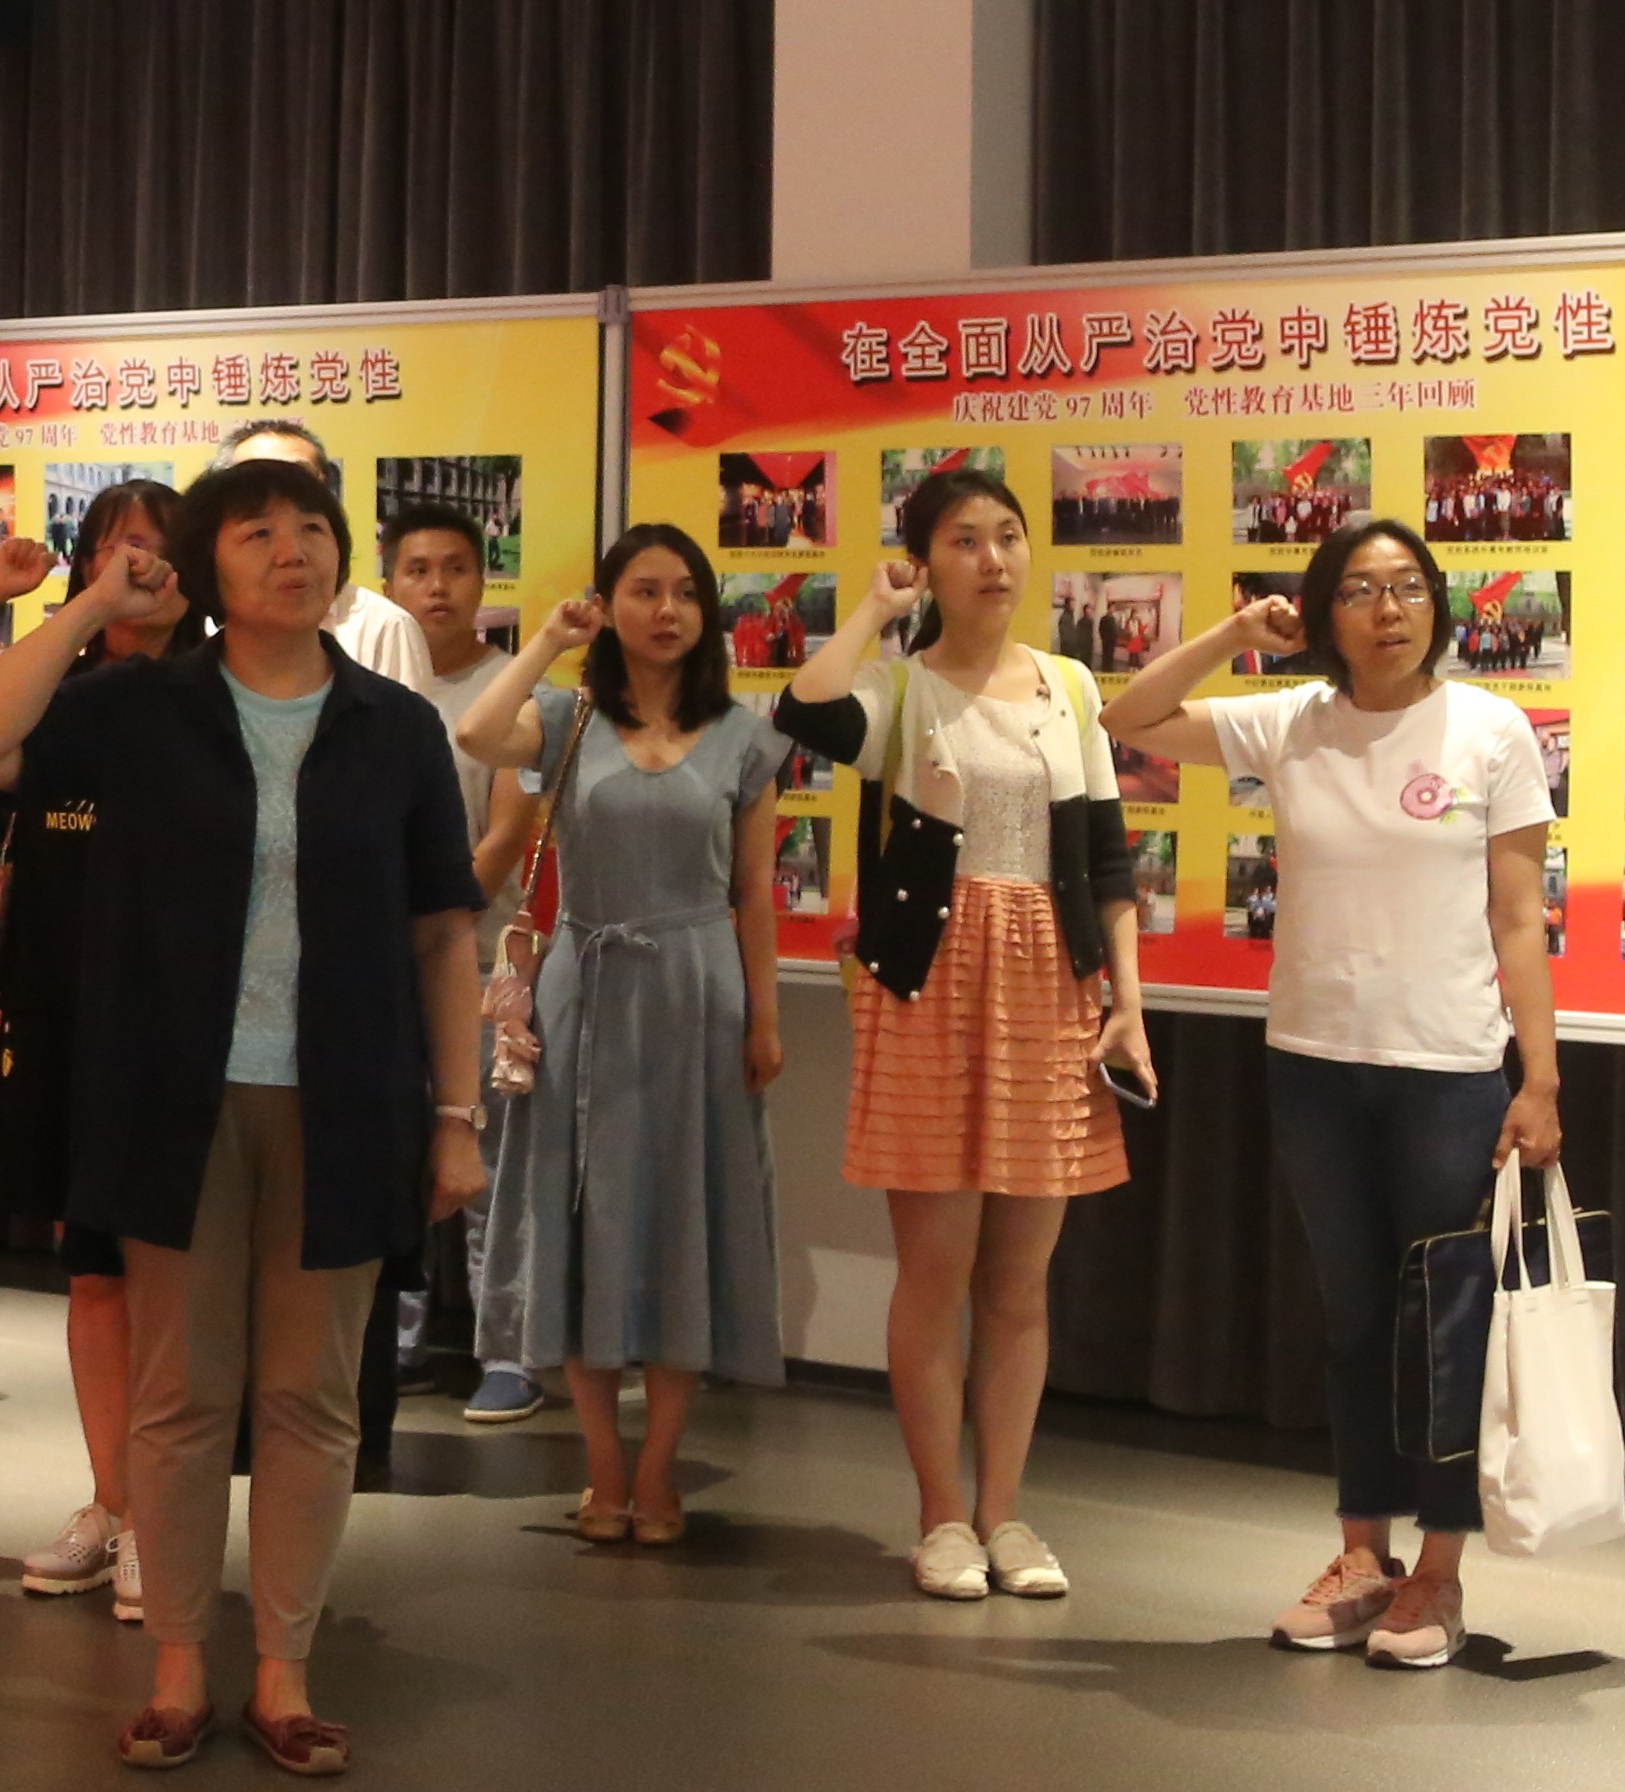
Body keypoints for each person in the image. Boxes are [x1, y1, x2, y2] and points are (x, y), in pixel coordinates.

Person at [0, 458, 487, 1781]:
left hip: (344, 1098)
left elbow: (441, 935)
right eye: (256, 533)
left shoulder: (395, 728)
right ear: (203, 566)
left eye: (311, 530)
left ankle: (283, 1673)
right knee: (180, 1396)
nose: (292, 552)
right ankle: (179, 1667)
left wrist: (457, 1115)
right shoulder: (138, 708)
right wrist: (86, 608)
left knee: (308, 1400)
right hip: (171, 1095)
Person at [1107, 513, 1562, 1672]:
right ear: (1322, 615)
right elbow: (1126, 719)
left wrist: (1539, 1079)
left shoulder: (1489, 729)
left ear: (1435, 605)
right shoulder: (1290, 722)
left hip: (1448, 1073)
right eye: (1357, 590)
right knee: (1353, 1322)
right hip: (1311, 1064)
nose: (1386, 609)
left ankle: (1438, 1574)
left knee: (1445, 1328)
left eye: (1406, 586)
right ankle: (1362, 1559)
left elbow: (1518, 919)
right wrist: (1231, 634)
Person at [775, 467, 1150, 1604]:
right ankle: (941, 1516)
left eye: (1007, 536)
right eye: (964, 540)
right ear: (926, 561)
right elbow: (803, 711)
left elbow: (1106, 860)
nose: (992, 559)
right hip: (929, 981)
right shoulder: (901, 688)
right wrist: (872, 610)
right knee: (935, 1274)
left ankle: (1007, 1514)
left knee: (1020, 1282)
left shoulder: (1070, 685)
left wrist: (1126, 1003)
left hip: (1049, 982)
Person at [0, 476, 194, 1618]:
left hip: (180, 1026)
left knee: (171, 1289)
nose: (134, 565)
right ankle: (113, 1507)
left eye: (154, 547)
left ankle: (165, 1522)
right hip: (65, 1015)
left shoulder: (221, 695)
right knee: (93, 1276)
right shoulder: (59, 690)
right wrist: (36, 600)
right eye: (111, 548)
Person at [453, 524, 787, 1541]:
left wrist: (764, 1019)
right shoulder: (566, 717)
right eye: (643, 590)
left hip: (698, 994)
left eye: (685, 591)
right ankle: (603, 1471)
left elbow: (755, 895)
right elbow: (476, 733)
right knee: (581, 1226)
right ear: (609, 604)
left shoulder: (744, 737)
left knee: (684, 1224)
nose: (666, 610)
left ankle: (659, 1471)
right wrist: (548, 641)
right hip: (581, 993)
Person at [383, 506, 547, 1425]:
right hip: (384, 959)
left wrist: (438, 926)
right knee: (396, 1154)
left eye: (454, 568)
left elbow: (508, 832)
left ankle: (508, 1350)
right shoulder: (371, 684)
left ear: (484, 582)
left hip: (481, 959)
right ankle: (396, 1339)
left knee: (490, 1162)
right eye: (417, 569)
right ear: (389, 584)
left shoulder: (510, 692)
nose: (436, 587)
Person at [218, 417, 431, 686]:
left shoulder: (384, 627)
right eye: (256, 480)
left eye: (299, 477)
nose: (280, 494)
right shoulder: (199, 625)